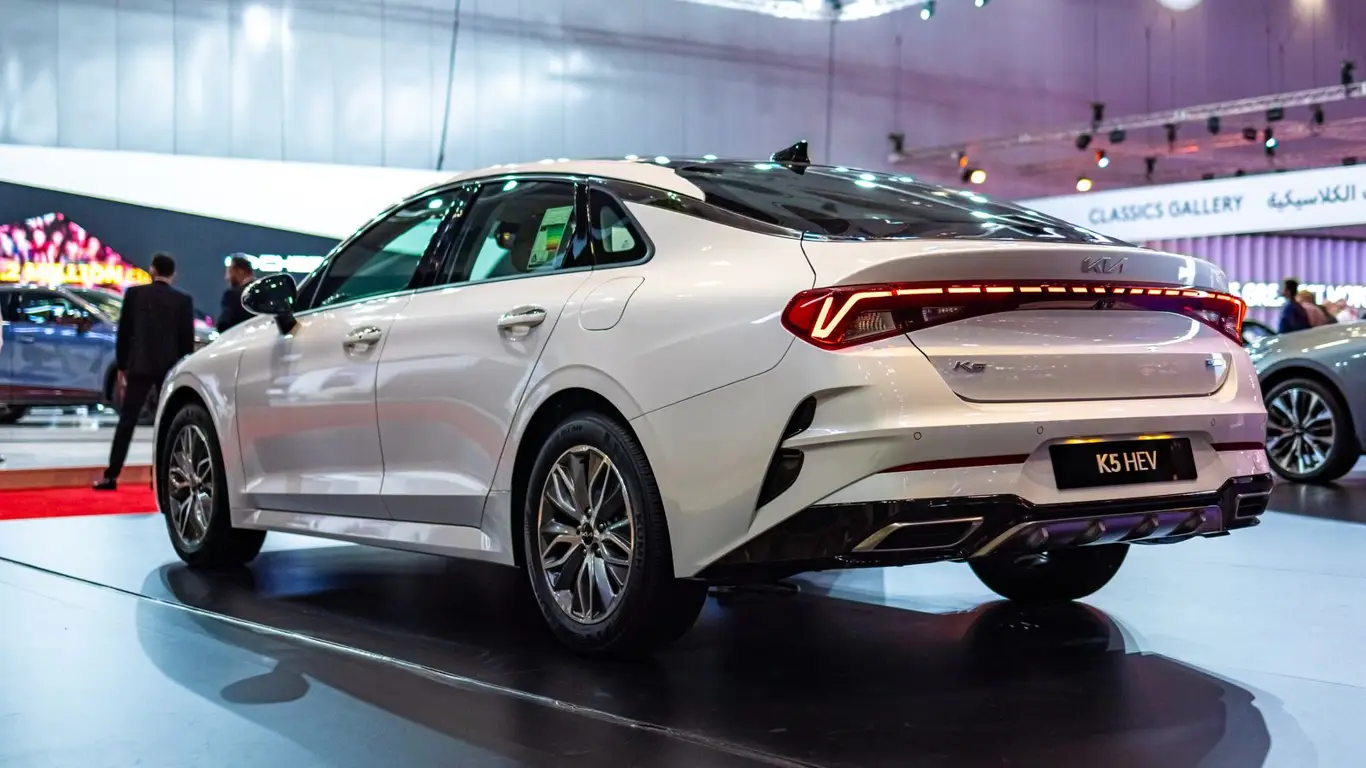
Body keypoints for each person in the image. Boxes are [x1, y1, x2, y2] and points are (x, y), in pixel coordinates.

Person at [94, 252, 195, 491]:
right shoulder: (183, 300)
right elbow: (186, 341)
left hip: (139, 366)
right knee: (169, 422)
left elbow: (124, 334)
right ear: (173, 274)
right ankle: (163, 478)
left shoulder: (135, 295)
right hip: (170, 369)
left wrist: (122, 366)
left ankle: (111, 475)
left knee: (127, 421)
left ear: (152, 270)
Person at [217, 254, 255, 332]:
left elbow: (223, 324)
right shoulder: (266, 291)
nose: (226, 278)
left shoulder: (232, 295)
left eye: (229, 272)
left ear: (240, 271)